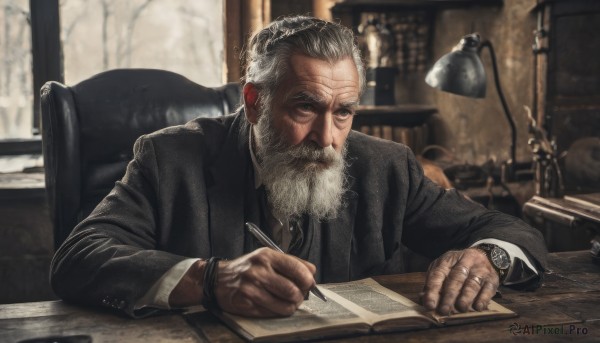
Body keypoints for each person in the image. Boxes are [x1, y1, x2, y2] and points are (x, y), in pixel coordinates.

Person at [50, 15, 547, 319]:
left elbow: (503, 228)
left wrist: (488, 258)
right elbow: (79, 259)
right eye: (304, 108)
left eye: (344, 112)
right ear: (254, 102)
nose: (327, 139)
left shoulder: (387, 166)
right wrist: (210, 279)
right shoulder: (168, 158)